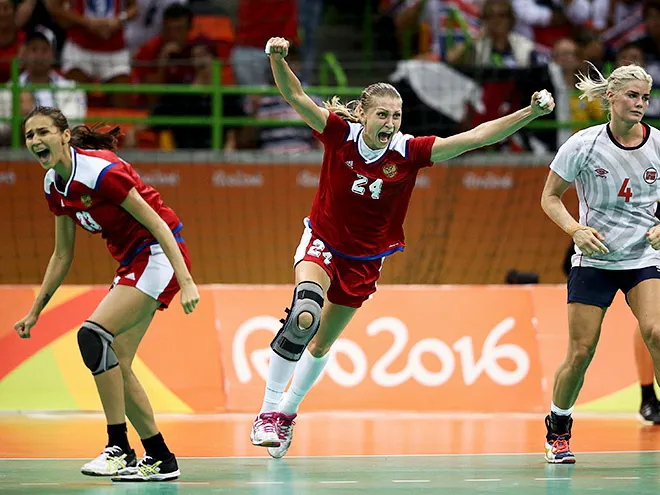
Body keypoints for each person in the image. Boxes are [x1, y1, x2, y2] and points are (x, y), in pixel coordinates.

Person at [251, 36, 555, 459]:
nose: (390, 122)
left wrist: (530, 112)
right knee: (305, 315)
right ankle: (266, 413)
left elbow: (475, 137)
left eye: (396, 115)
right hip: (323, 241)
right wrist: (277, 58)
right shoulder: (339, 134)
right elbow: (296, 95)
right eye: (382, 114)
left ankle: (286, 413)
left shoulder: (408, 152)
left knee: (321, 345)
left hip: (365, 259)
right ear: (363, 114)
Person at [15, 106, 200, 481]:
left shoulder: (101, 172)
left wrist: (186, 281)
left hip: (158, 254)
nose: (35, 140)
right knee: (118, 360)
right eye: (29, 135)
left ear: (65, 135)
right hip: (132, 262)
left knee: (92, 336)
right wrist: (35, 311)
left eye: (43, 132)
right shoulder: (53, 185)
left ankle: (119, 447)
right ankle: (161, 457)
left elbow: (158, 223)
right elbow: (62, 255)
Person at [540, 63, 660, 464]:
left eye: (645, 97)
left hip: (643, 257)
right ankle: (558, 428)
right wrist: (575, 229)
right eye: (632, 95)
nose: (640, 103)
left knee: (657, 332)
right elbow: (550, 197)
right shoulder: (583, 144)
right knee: (580, 352)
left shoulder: (658, 144)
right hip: (595, 259)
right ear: (611, 97)